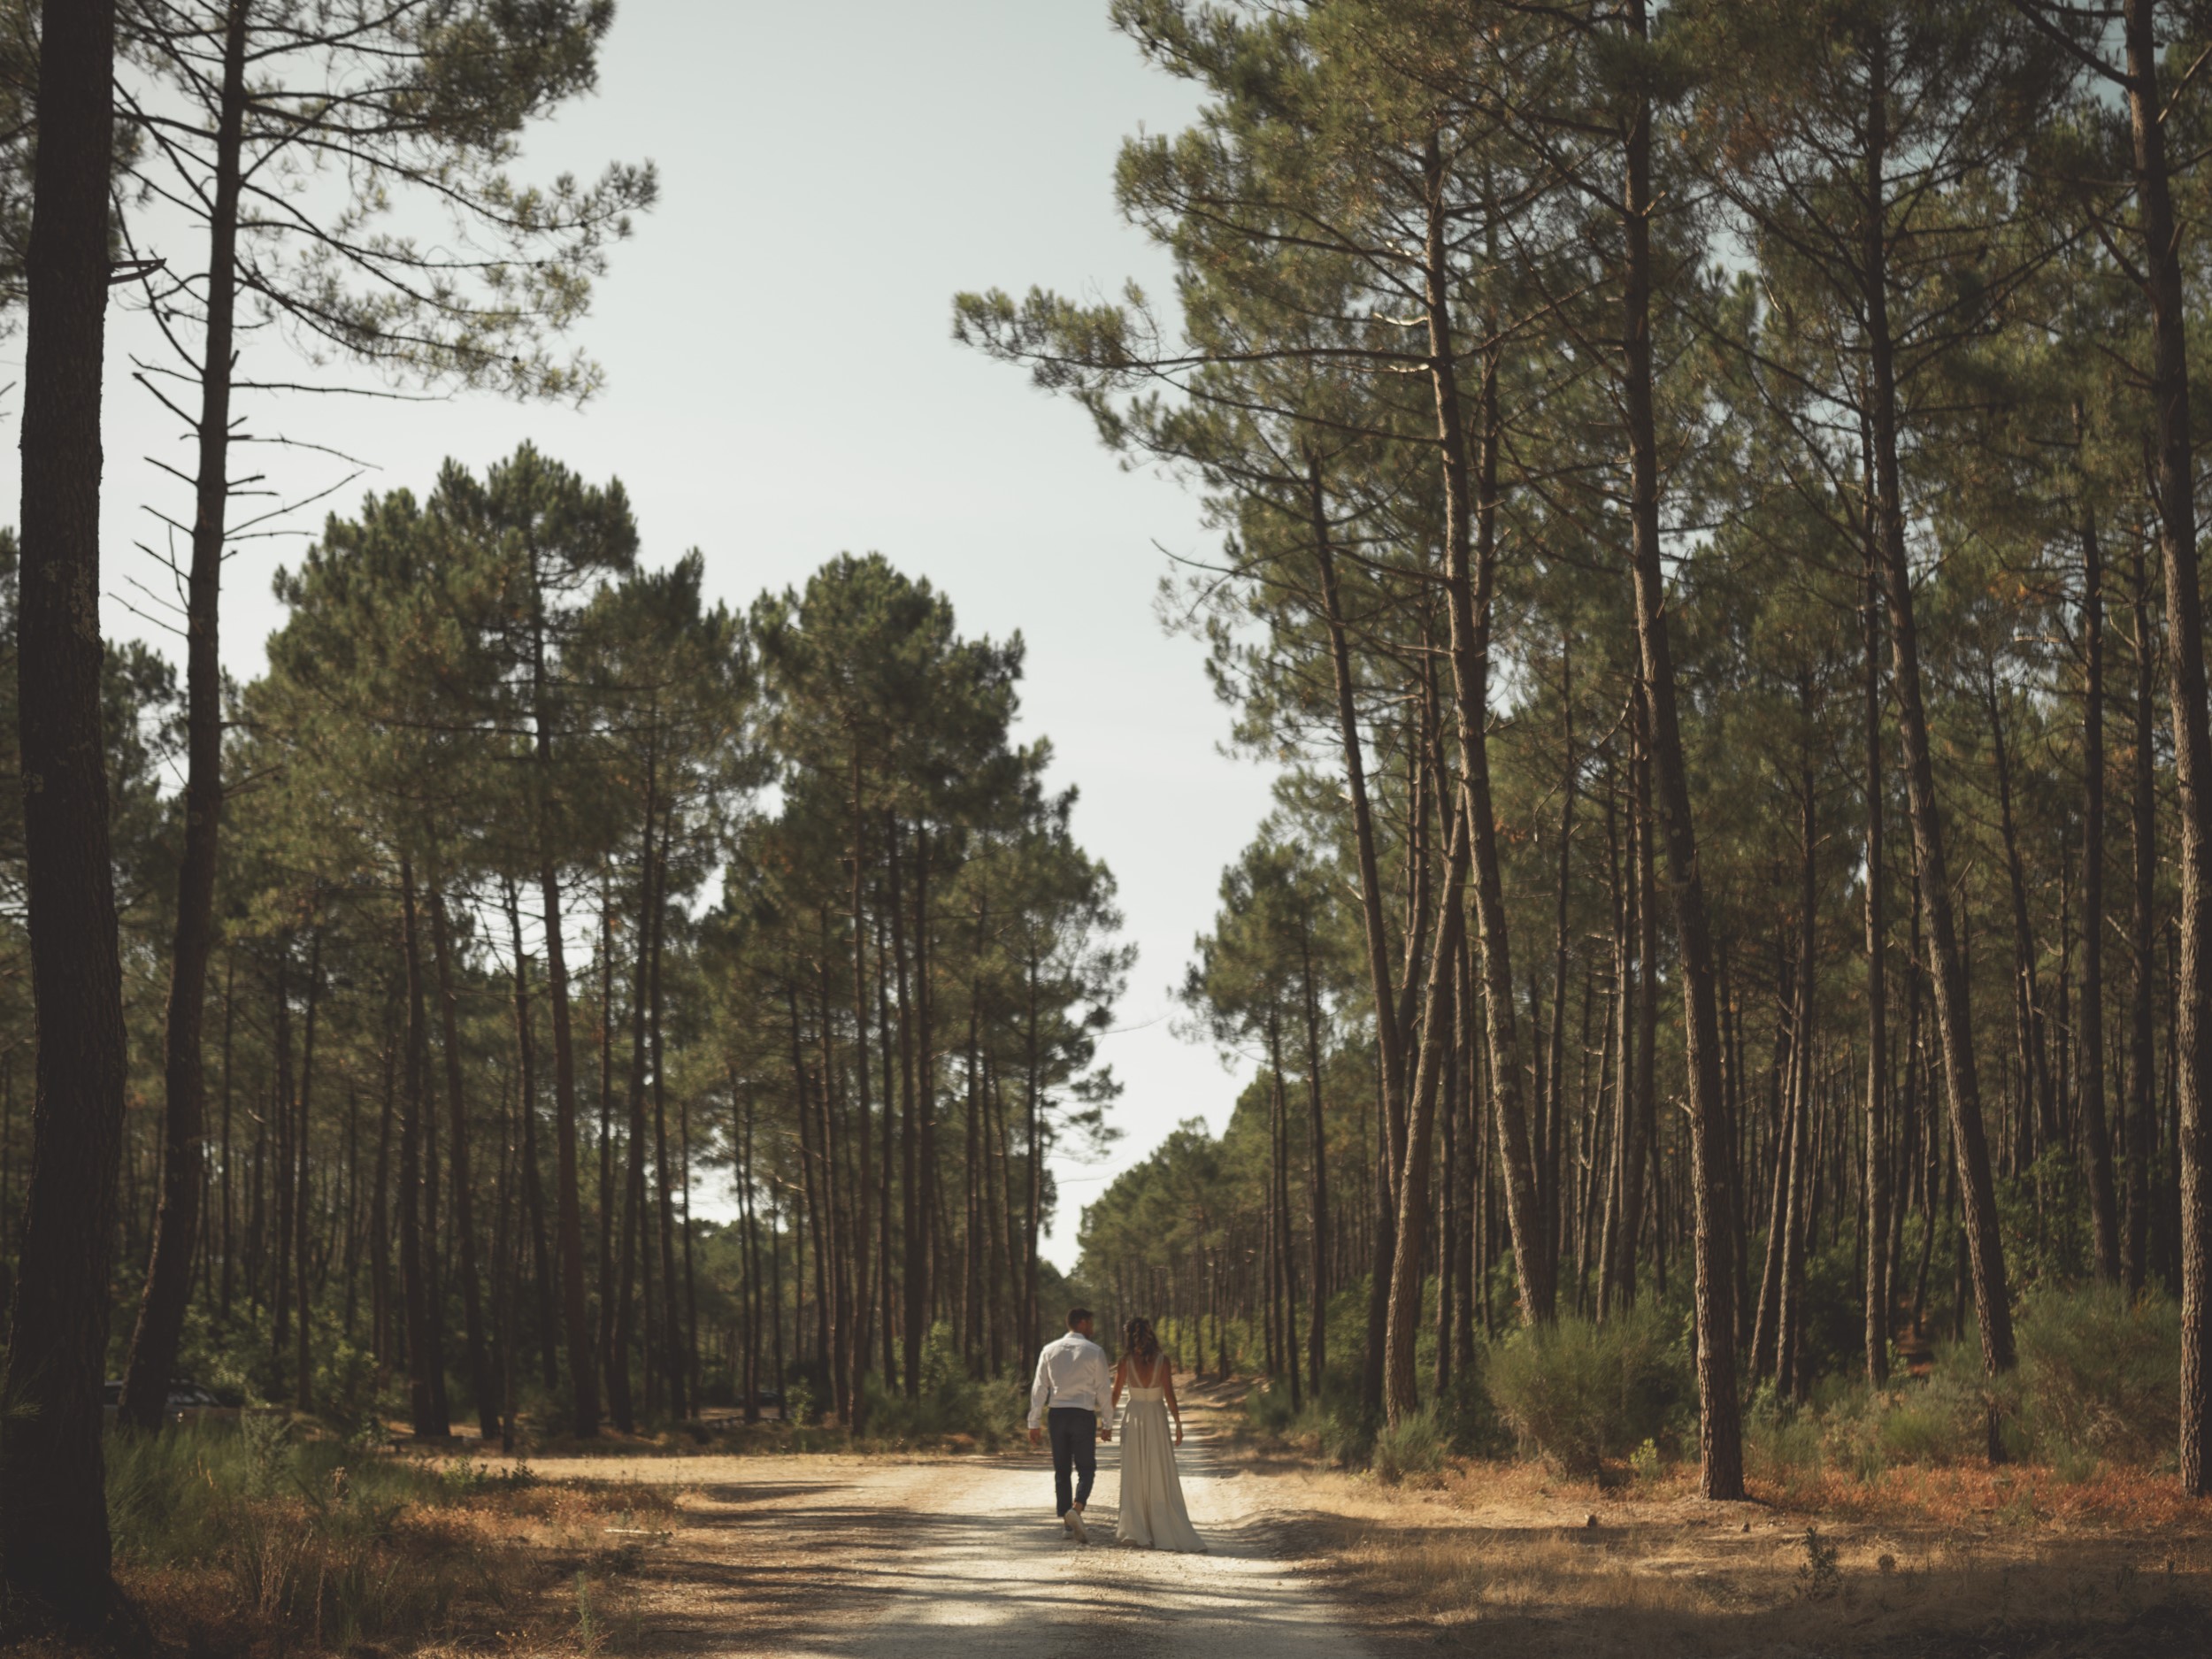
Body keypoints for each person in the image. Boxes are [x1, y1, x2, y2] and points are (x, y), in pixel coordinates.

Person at [1108, 1316, 1204, 1552]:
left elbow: (1116, 1395)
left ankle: (1137, 1528)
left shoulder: (1124, 1362)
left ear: (1129, 1336)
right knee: (1159, 1469)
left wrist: (1106, 1423)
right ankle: (1160, 1526)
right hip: (1157, 1418)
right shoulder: (1163, 1360)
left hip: (1135, 1417)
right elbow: (1169, 1394)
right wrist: (1178, 1423)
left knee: (1135, 1471)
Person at [1026, 1306, 1113, 1542]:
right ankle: (1076, 1510)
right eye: (1091, 1323)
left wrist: (1033, 1422)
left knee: (1062, 1470)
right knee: (1086, 1468)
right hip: (1083, 1414)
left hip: (1057, 1414)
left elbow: (1039, 1387)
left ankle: (1067, 1523)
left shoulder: (1049, 1350)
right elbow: (1103, 1389)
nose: (1093, 1328)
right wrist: (1107, 1422)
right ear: (1082, 1323)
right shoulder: (1094, 1351)